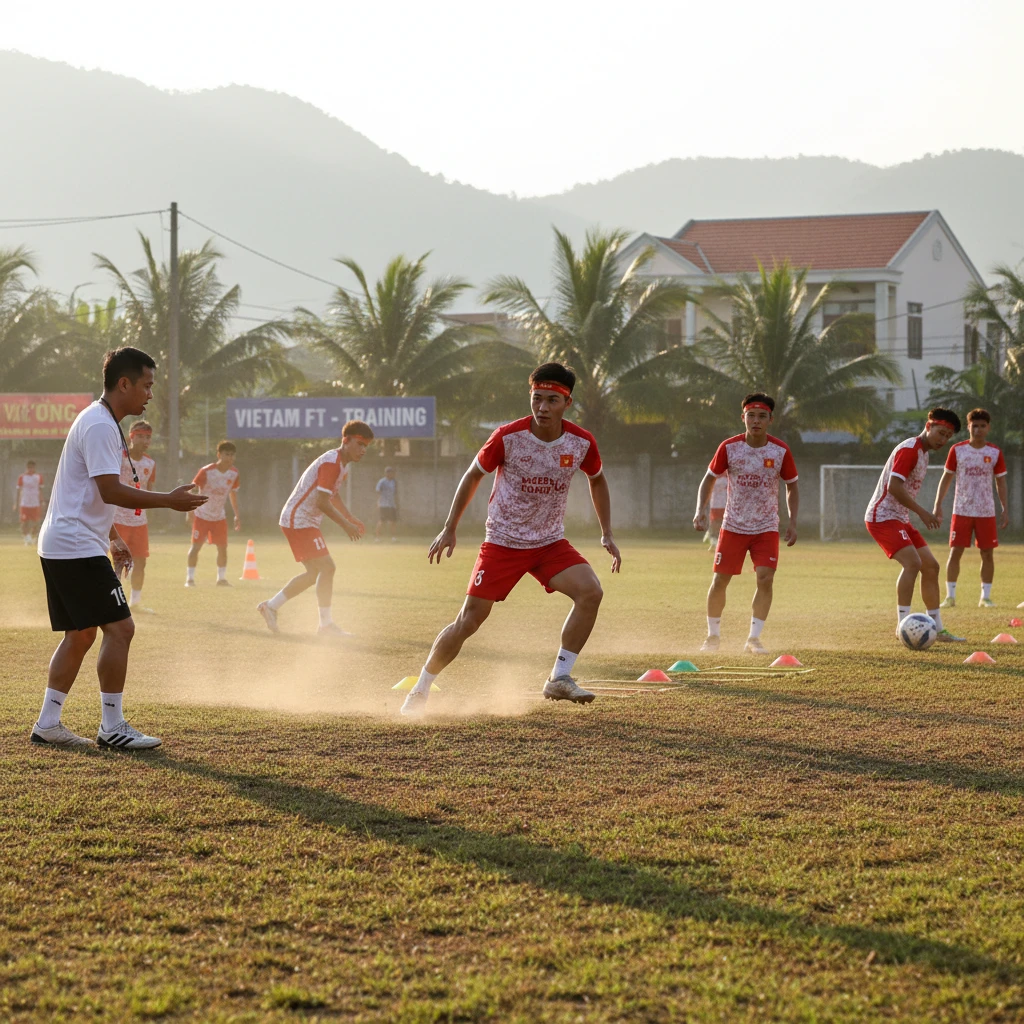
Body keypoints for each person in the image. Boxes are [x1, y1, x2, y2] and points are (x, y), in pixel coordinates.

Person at [400, 362, 621, 717]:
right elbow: (473, 475)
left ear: (568, 403)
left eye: (552, 400)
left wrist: (606, 532)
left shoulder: (581, 442)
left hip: (549, 543)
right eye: (537, 399)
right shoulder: (508, 436)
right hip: (503, 542)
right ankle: (421, 689)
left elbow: (597, 479)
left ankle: (559, 677)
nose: (543, 407)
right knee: (469, 621)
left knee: (591, 591)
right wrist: (449, 526)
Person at [32, 346, 207, 749]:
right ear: (123, 383)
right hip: (75, 545)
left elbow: (90, 493)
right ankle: (112, 727)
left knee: (80, 635)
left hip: (67, 542)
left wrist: (112, 537)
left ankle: (48, 723)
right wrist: (169, 501)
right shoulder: (98, 425)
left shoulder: (103, 422)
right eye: (146, 385)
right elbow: (109, 489)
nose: (149, 394)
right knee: (121, 629)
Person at [693, 393, 799, 655]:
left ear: (770, 420)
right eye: (751, 415)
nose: (756, 421)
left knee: (765, 578)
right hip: (733, 526)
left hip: (766, 527)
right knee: (720, 581)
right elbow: (709, 479)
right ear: (743, 418)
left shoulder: (780, 451)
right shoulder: (729, 447)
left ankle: (753, 639)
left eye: (762, 416)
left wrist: (793, 521)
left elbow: (792, 487)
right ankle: (713, 637)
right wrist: (700, 511)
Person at [257, 420, 373, 636]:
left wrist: (349, 516)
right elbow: (321, 502)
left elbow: (332, 494)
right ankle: (325, 625)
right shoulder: (331, 462)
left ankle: (270, 607)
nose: (363, 450)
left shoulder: (342, 466)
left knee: (314, 574)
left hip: (303, 521)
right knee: (327, 568)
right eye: (360, 444)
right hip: (299, 520)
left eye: (366, 446)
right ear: (346, 441)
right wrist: (345, 525)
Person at [864, 407, 964, 641]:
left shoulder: (924, 453)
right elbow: (894, 487)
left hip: (899, 518)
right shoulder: (910, 450)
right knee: (913, 564)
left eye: (948, 437)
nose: (943, 440)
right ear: (928, 426)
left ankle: (937, 629)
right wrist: (922, 512)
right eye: (941, 433)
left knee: (931, 566)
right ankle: (902, 627)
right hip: (882, 517)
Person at [933, 408, 1008, 609]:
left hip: (986, 511)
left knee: (987, 554)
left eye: (982, 426)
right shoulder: (957, 450)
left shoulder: (994, 452)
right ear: (968, 427)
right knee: (955, 552)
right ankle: (950, 596)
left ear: (988, 428)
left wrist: (1004, 508)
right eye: (975, 425)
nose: (978, 429)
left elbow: (1001, 483)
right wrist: (938, 504)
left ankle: (985, 597)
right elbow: (947, 478)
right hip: (962, 509)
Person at [110, 420, 157, 612]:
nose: (145, 440)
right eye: (140, 436)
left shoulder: (150, 463)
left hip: (139, 521)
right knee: (118, 561)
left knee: (140, 561)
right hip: (118, 518)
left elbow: (149, 491)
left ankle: (135, 602)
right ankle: (115, 602)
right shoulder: (118, 457)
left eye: (148, 437)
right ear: (131, 436)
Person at [186, 441, 241, 587]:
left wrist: (236, 515)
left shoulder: (234, 473)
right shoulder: (207, 471)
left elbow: (232, 494)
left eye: (232, 455)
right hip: (202, 514)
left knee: (222, 547)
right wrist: (190, 511)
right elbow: (191, 489)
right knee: (196, 546)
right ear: (219, 455)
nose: (229, 458)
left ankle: (221, 579)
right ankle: (190, 579)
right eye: (226, 454)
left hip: (219, 517)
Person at [15, 459, 45, 546]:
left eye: (32, 467)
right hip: (24, 503)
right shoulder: (22, 477)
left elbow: (40, 490)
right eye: (29, 467)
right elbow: (18, 491)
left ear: (34, 468)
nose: (30, 469)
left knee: (36, 522)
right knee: (24, 522)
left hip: (35, 503)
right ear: (27, 467)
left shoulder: (38, 477)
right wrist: (16, 503)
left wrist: (42, 501)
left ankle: (34, 536)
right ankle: (27, 538)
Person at [375, 466, 399, 542]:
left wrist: (397, 503)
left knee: (393, 522)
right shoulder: (382, 482)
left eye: (391, 472)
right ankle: (377, 537)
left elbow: (395, 493)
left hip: (392, 505)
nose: (390, 474)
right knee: (381, 521)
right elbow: (378, 492)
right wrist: (378, 502)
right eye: (388, 472)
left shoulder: (394, 482)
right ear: (386, 473)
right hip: (383, 505)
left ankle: (393, 537)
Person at [703, 474, 728, 547]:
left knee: (721, 521)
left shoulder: (726, 475)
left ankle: (712, 536)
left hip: (724, 502)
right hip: (716, 503)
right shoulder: (713, 476)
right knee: (716, 521)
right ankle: (712, 537)